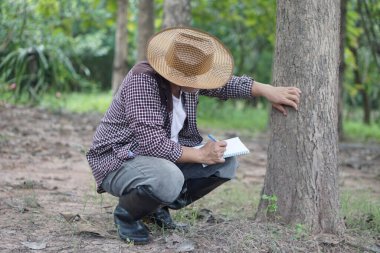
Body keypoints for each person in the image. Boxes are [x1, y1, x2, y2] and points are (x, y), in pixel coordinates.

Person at [86, 27, 301, 244]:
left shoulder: (189, 81)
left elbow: (225, 85)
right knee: (170, 178)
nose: (204, 82)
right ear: (176, 71)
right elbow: (152, 143)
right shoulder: (143, 80)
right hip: (118, 160)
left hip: (158, 159)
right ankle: (127, 215)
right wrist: (200, 155)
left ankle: (155, 208)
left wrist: (265, 90)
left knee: (225, 163)